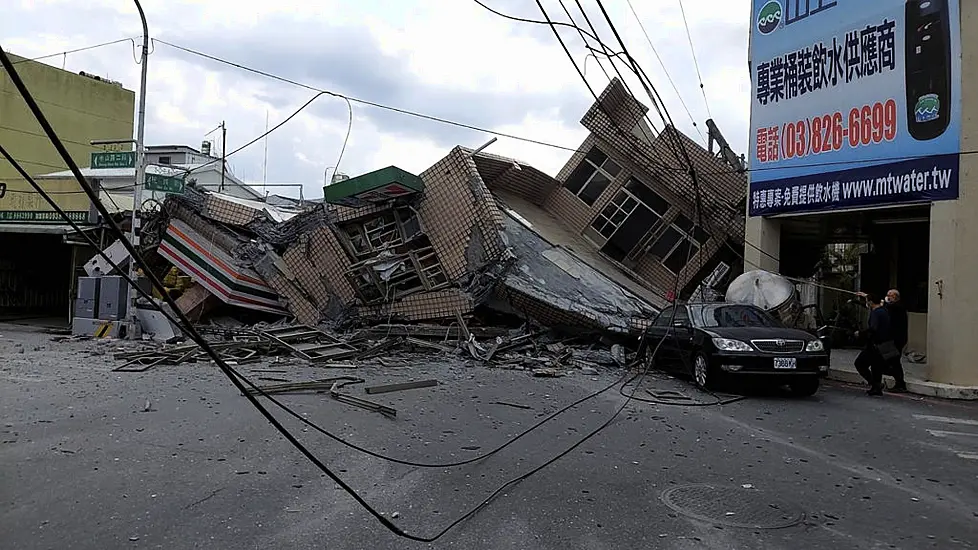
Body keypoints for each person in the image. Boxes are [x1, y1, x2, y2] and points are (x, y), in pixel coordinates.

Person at [853, 292, 892, 396]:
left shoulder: (875, 313)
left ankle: (875, 384)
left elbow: (873, 328)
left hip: (874, 344)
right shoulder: (884, 310)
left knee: (860, 363)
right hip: (884, 343)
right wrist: (866, 295)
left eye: (867, 301)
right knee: (876, 367)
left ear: (870, 302)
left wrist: (861, 333)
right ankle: (877, 387)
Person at [884, 289, 909, 392]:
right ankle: (897, 380)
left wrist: (885, 301)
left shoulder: (899, 307)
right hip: (891, 338)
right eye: (888, 295)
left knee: (894, 361)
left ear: (897, 298)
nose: (889, 297)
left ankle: (900, 383)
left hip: (897, 339)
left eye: (891, 296)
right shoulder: (891, 307)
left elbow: (889, 306)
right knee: (891, 360)